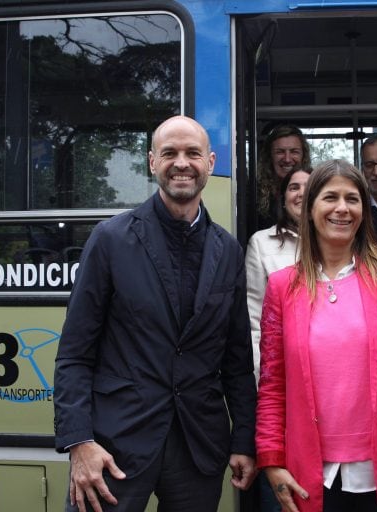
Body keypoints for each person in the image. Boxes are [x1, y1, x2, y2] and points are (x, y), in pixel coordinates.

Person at [53, 115, 257, 512]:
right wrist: (79, 443)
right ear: (152, 162)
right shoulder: (110, 239)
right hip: (112, 447)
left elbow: (237, 360)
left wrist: (244, 439)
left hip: (198, 447)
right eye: (170, 153)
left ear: (210, 163)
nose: (182, 162)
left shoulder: (228, 250)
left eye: (192, 153)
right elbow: (75, 353)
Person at [256, 159, 377, 512]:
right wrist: (271, 460)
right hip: (309, 474)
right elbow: (272, 385)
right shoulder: (283, 287)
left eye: (352, 199)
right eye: (330, 197)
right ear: (310, 208)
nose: (342, 208)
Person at [246, 166, 311, 512]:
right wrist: (264, 384)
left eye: (310, 186)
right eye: (293, 188)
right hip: (281, 392)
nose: (301, 193)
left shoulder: (345, 240)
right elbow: (253, 321)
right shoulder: (262, 243)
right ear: (283, 198)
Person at [257, 124, 311, 229]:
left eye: (294, 152)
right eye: (280, 152)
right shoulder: (254, 193)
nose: (287, 159)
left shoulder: (316, 189)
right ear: (270, 156)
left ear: (303, 156)